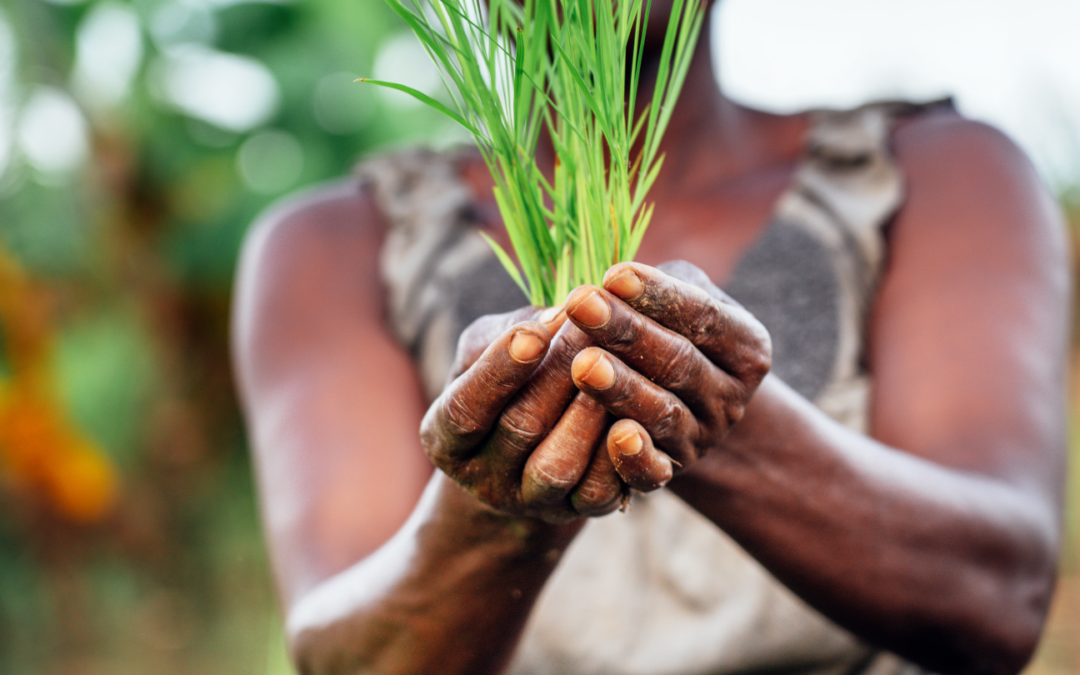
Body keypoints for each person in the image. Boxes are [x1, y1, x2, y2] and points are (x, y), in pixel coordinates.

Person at [230, 2, 1071, 673]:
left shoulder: (936, 177)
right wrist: (494, 511)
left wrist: (706, 413)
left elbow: (1001, 594)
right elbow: (349, 656)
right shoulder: (338, 248)